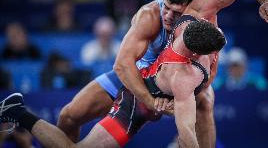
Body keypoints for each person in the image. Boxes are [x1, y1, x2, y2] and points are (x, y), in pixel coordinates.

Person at [56, 0, 268, 148]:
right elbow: (123, 65)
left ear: (191, 7)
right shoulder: (150, 15)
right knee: (68, 116)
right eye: (168, 8)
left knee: (205, 101)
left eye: (177, 12)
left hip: (181, 78)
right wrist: (150, 100)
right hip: (141, 76)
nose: (169, 16)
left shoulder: (201, 9)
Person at [0, 19, 226, 148]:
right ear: (196, 53)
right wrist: (166, 106)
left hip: (153, 87)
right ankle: (18, 113)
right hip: (135, 104)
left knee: (204, 101)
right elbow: (185, 129)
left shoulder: (187, 26)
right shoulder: (185, 77)